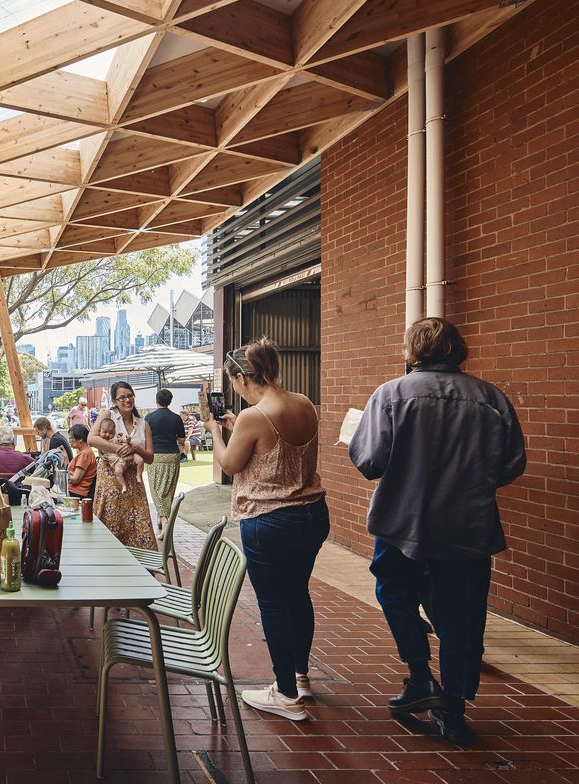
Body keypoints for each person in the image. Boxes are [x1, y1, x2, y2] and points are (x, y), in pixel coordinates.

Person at [349, 318, 525, 746]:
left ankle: (420, 674)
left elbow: (369, 461)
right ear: (457, 349)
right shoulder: (491, 399)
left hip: (401, 523)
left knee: (394, 593)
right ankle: (454, 708)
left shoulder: (390, 394)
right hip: (468, 526)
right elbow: (511, 464)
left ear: (413, 349)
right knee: (463, 618)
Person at [206, 338, 327, 722]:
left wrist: (214, 431)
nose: (235, 391)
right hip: (312, 513)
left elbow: (229, 464)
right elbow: (277, 450)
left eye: (234, 383)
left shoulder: (253, 416)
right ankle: (301, 676)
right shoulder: (303, 402)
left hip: (270, 521)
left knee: (274, 604)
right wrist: (235, 425)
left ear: (243, 377)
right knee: (298, 595)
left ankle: (286, 694)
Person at [88, 382, 155, 549]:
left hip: (135, 485)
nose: (127, 400)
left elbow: (150, 457)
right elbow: (92, 439)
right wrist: (120, 449)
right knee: (110, 524)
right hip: (111, 482)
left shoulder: (143, 424)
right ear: (114, 401)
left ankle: (140, 567)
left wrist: (136, 448)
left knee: (138, 528)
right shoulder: (108, 415)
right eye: (122, 397)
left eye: (130, 396)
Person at [145, 389, 185, 534]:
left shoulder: (149, 418)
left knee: (156, 490)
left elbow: (144, 439)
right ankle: (162, 519)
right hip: (173, 456)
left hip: (155, 456)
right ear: (170, 401)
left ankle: (164, 521)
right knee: (168, 491)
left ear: (157, 401)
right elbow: (181, 439)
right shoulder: (176, 418)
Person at [94, 416, 142, 493]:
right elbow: (100, 452)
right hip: (117, 462)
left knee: (140, 460)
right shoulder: (100, 442)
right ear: (100, 431)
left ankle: (138, 475)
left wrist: (127, 440)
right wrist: (102, 456)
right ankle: (123, 486)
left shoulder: (116, 437)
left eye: (111, 433)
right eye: (105, 432)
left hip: (127, 456)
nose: (107, 435)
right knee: (118, 472)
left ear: (114, 432)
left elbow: (123, 440)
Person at [66, 424, 97, 500]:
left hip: (77, 493)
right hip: (76, 492)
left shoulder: (85, 454)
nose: (69, 440)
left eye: (71, 438)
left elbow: (76, 479)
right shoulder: (85, 453)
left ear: (80, 439)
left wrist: (63, 475)